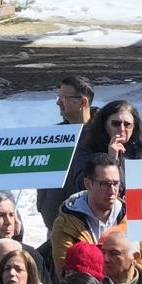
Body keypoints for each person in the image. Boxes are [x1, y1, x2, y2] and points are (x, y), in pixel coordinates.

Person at [52, 154, 142, 277]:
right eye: (105, 184)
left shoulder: (132, 218)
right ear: (88, 184)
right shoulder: (66, 224)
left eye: (116, 183)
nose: (112, 190)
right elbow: (67, 273)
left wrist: (123, 279)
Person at [64, 100, 142, 200]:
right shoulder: (87, 148)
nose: (122, 129)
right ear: (105, 125)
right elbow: (82, 186)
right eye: (116, 123)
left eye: (127, 125)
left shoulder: (139, 152)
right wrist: (111, 160)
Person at [39, 76, 97, 228]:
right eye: (58, 97)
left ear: (83, 102)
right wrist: (44, 205)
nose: (58, 102)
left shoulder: (103, 134)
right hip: (56, 224)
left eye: (63, 98)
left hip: (92, 225)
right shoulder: (54, 135)